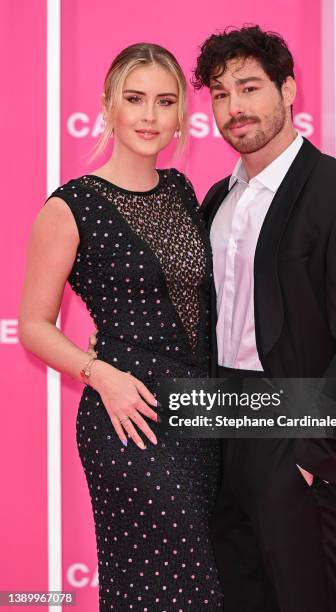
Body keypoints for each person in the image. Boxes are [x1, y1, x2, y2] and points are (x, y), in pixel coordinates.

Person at [190, 25, 336, 612]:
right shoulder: (215, 200)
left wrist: (314, 454)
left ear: (288, 90)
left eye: (250, 88)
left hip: (298, 427)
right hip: (220, 426)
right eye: (219, 93)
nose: (234, 108)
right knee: (236, 597)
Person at [18, 43, 223, 610]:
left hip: (201, 418)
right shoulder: (70, 205)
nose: (150, 117)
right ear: (108, 105)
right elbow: (32, 324)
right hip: (125, 419)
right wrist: (98, 372)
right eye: (135, 100)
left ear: (182, 112)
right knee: (177, 586)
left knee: (179, 585)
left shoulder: (183, 192)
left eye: (164, 101)